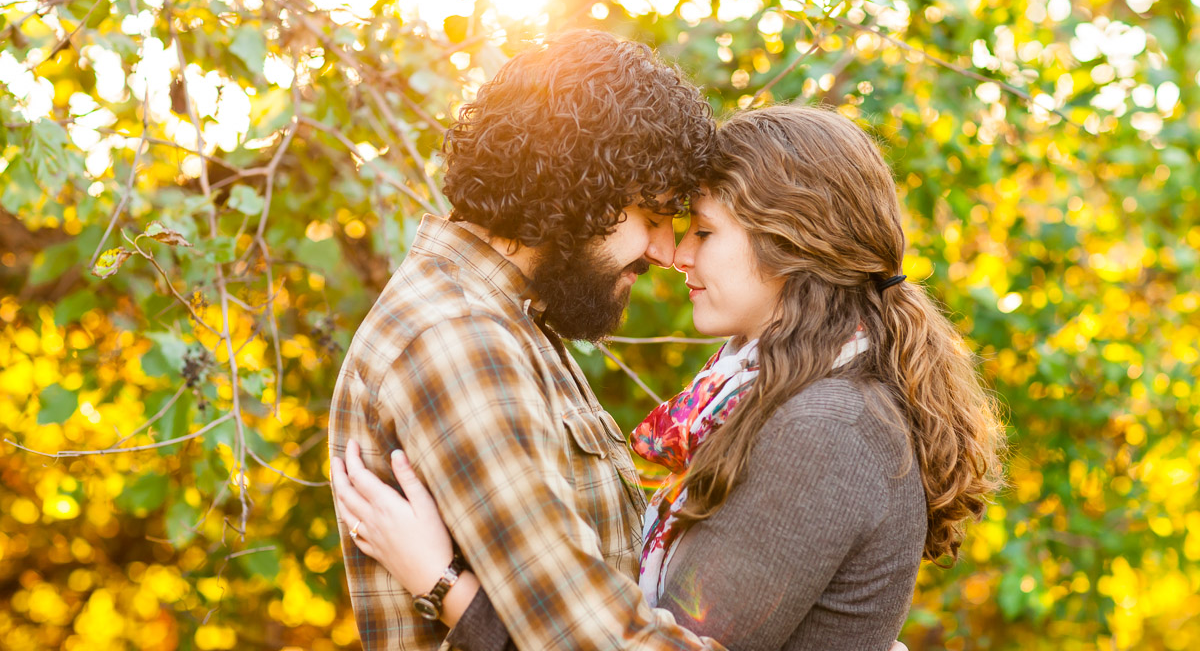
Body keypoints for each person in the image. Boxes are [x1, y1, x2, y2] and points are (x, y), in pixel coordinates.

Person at [334, 104, 1005, 650]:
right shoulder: (762, 399)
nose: (677, 253)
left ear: (792, 242)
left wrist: (445, 583)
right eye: (666, 223)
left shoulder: (827, 427)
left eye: (702, 232)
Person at [328, 29, 732, 651]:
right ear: (575, 188)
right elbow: (594, 641)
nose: (662, 249)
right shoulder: (460, 339)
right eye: (650, 217)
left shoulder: (514, 323)